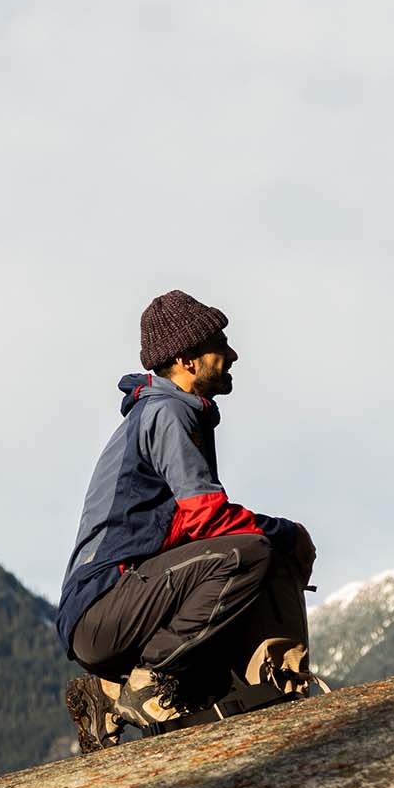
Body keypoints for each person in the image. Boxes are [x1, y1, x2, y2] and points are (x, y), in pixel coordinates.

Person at [57, 290, 317, 752]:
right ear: (187, 361)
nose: (233, 354)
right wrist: (288, 534)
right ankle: (148, 682)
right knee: (251, 551)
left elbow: (188, 528)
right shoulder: (168, 412)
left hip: (113, 609)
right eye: (220, 344)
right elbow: (208, 517)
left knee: (251, 550)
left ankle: (113, 693)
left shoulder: (170, 412)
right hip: (106, 607)